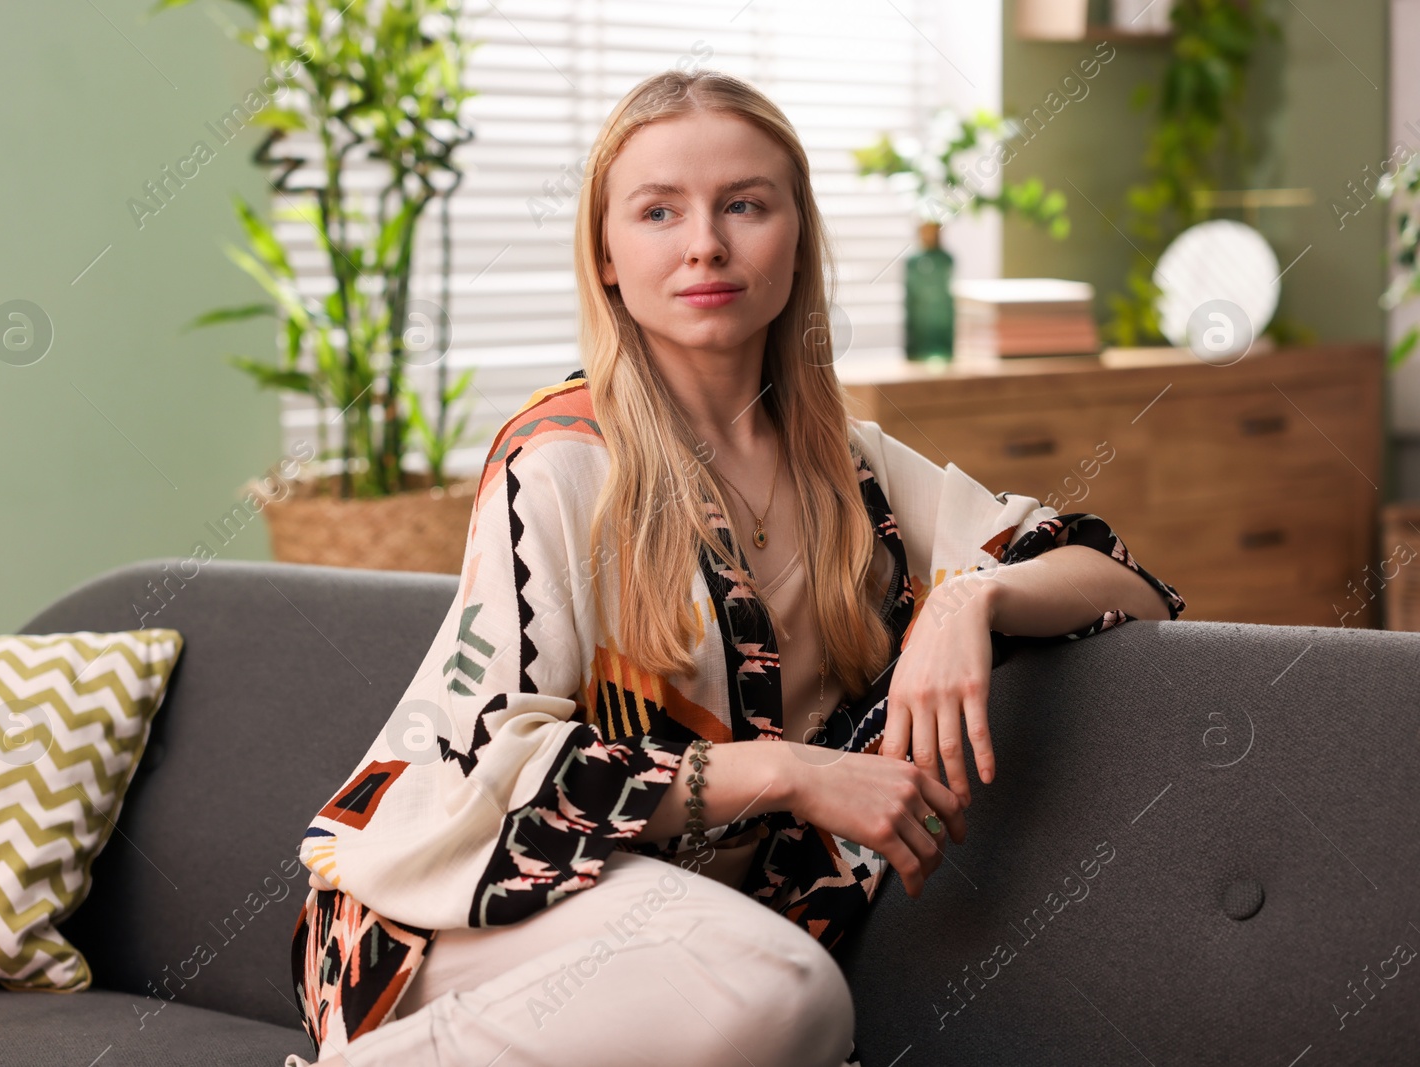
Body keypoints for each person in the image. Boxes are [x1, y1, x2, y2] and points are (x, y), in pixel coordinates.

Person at [284, 68, 1184, 1067]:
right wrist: (793, 773)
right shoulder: (557, 462)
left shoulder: (856, 471)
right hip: (444, 916)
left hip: (683, 926)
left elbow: (1124, 578)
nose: (704, 242)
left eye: (744, 204)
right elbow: (506, 775)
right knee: (775, 990)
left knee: (757, 983)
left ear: (795, 237)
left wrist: (972, 593)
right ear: (608, 256)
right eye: (659, 210)